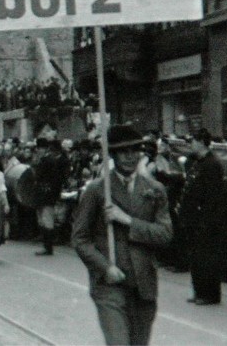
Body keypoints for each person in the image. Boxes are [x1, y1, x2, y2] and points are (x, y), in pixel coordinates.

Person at [72, 125, 173, 346]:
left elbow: (165, 234)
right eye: (122, 152)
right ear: (113, 155)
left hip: (144, 285)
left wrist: (127, 220)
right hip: (110, 284)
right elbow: (79, 239)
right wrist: (104, 267)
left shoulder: (155, 189)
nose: (129, 157)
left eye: (134, 151)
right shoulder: (97, 190)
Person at [178, 128, 225, 305]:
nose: (190, 145)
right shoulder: (198, 162)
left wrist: (207, 219)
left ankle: (209, 294)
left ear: (200, 142)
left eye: (192, 141)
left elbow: (213, 196)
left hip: (205, 219)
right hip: (194, 218)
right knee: (196, 258)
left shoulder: (211, 164)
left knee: (207, 258)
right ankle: (199, 291)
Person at [33, 139, 69, 256]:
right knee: (42, 220)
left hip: (47, 193)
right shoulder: (45, 160)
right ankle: (46, 245)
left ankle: (48, 247)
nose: (38, 151)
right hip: (43, 193)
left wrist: (53, 192)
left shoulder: (48, 161)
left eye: (40, 148)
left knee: (47, 219)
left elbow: (55, 179)